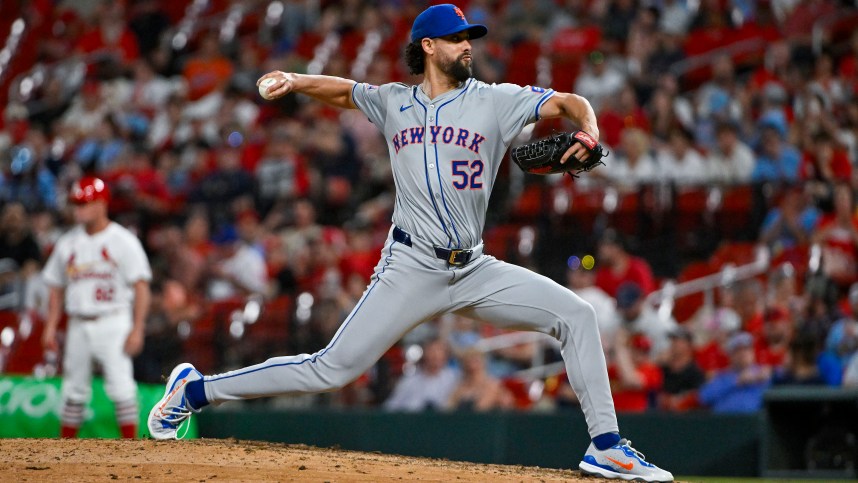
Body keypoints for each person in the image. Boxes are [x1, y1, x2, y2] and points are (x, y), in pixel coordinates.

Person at [147, 5, 672, 481]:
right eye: (456, 38)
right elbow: (346, 91)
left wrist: (591, 132)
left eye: (470, 38)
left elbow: (569, 102)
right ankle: (196, 391)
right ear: (427, 46)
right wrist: (297, 80)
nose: (468, 46)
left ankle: (605, 447)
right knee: (333, 369)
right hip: (411, 265)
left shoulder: (496, 100)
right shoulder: (394, 101)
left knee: (577, 315)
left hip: (474, 269)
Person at [41, 177, 152, 438]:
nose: (78, 209)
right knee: (73, 389)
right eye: (76, 203)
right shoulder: (67, 243)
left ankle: (130, 447)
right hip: (78, 322)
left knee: (121, 387)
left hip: (113, 320)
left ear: (102, 204)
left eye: (84, 203)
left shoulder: (122, 240)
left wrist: (137, 328)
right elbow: (56, 287)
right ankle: (64, 451)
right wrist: (50, 327)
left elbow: (141, 286)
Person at [698, 332, 771, 413]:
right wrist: (736, 381)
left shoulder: (762, 372)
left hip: (753, 421)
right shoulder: (723, 376)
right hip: (723, 422)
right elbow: (704, 397)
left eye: (746, 349)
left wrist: (770, 374)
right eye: (738, 350)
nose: (743, 354)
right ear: (730, 355)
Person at [384, 338, 460, 412]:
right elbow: (392, 405)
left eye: (440, 351)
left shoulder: (453, 379)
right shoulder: (410, 379)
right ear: (424, 354)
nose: (435, 355)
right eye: (432, 351)